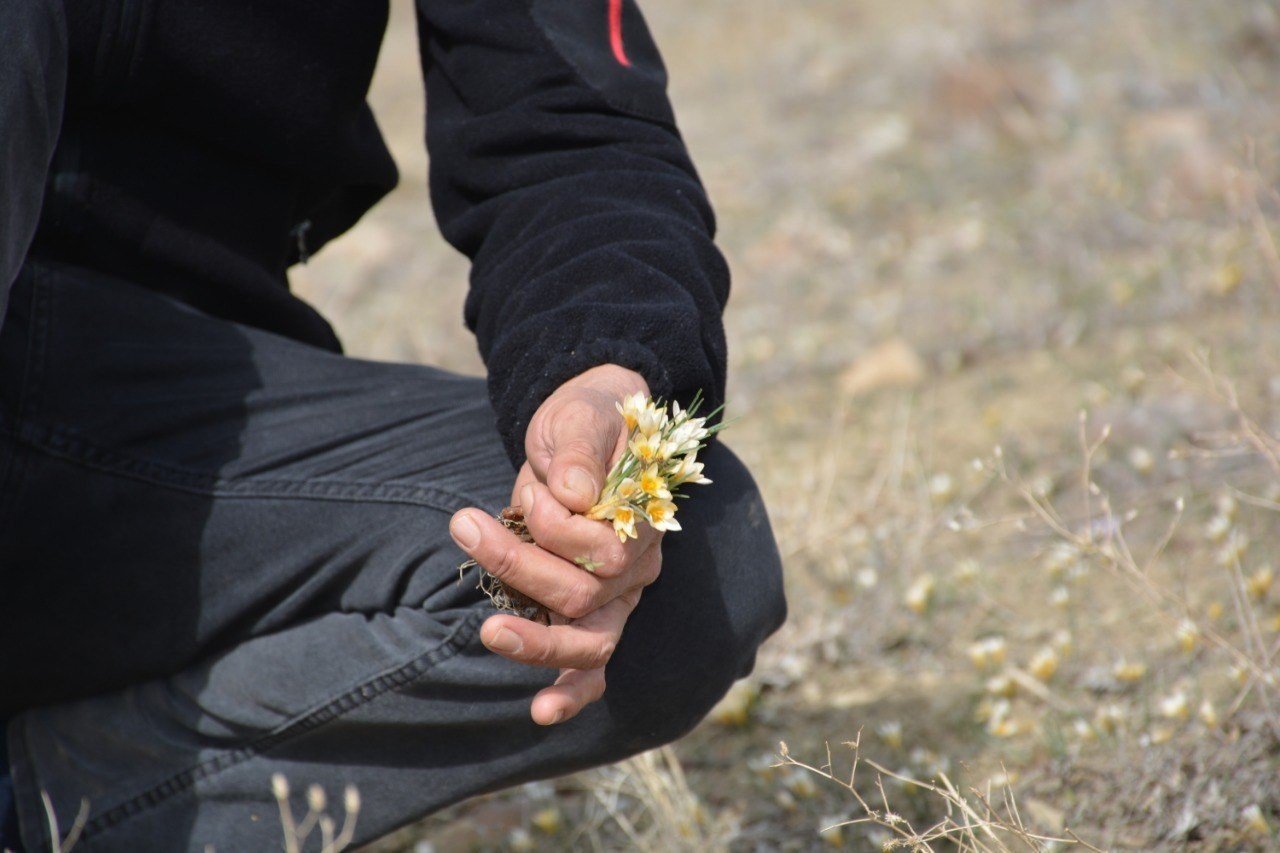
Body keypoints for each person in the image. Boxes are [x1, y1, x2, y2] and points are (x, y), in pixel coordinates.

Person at [0, 0, 786, 849]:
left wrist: (607, 376)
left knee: (687, 564)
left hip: (158, 403)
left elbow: (570, 123)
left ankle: (36, 805)